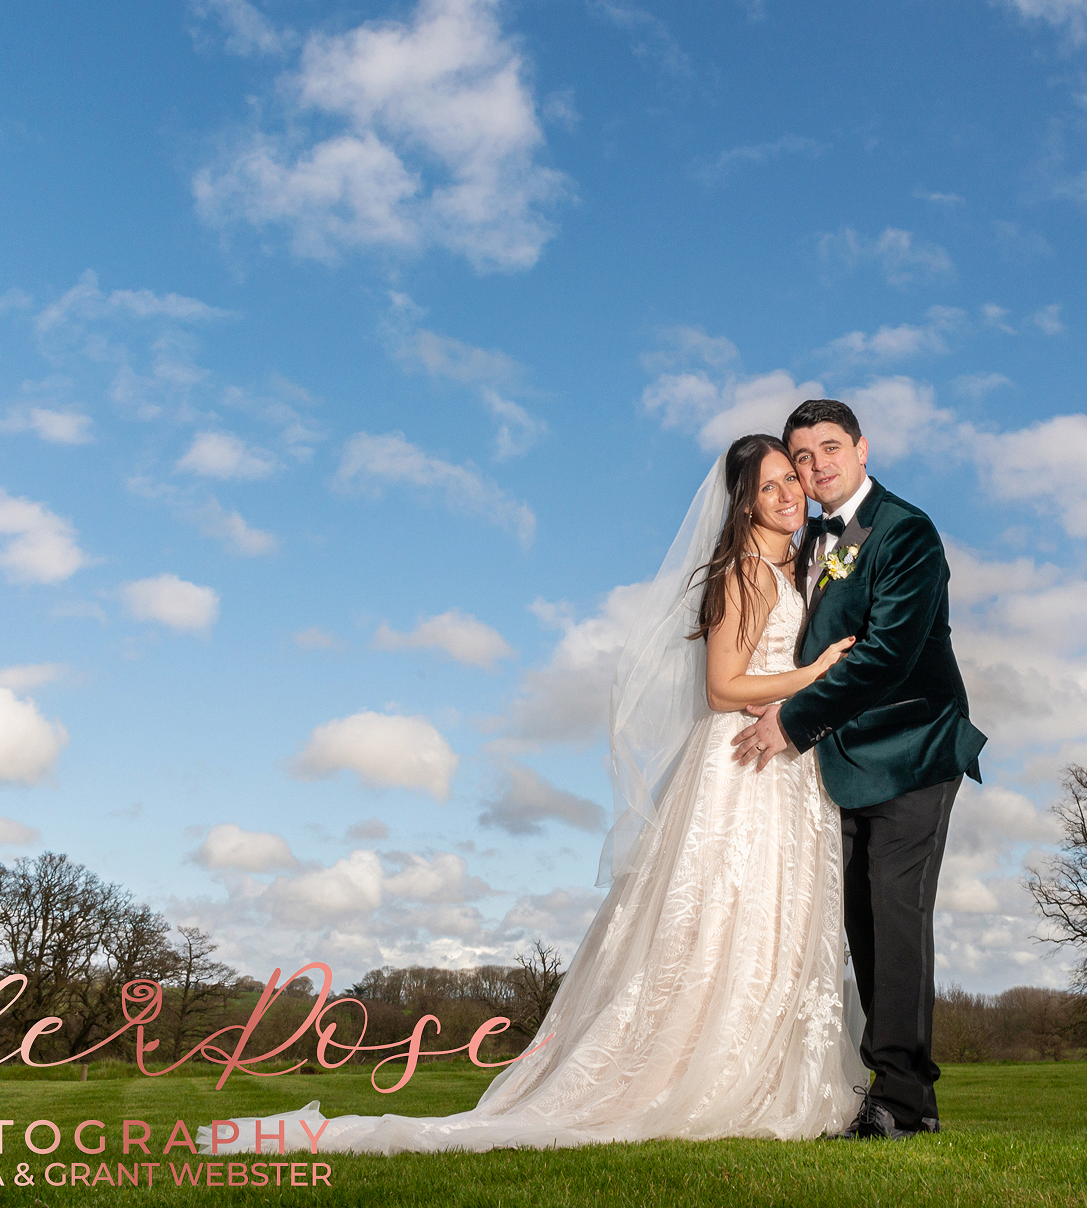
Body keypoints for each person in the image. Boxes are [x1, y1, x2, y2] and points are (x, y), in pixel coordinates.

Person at [203, 433, 864, 1155]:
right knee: (719, 918)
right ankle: (698, 1075)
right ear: (741, 504)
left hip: (788, 765)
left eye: (788, 482)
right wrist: (815, 674)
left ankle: (766, 1071)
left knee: (775, 919)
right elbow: (722, 686)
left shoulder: (797, 568)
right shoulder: (742, 573)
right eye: (767, 487)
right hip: (741, 767)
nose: (786, 495)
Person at [730, 398, 987, 1140]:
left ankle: (907, 1102)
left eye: (830, 449)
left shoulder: (907, 532)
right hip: (838, 764)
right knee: (857, 926)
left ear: (863, 448)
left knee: (896, 917)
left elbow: (888, 655)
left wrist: (790, 720)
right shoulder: (805, 538)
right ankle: (872, 1087)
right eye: (803, 457)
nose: (816, 468)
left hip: (911, 748)